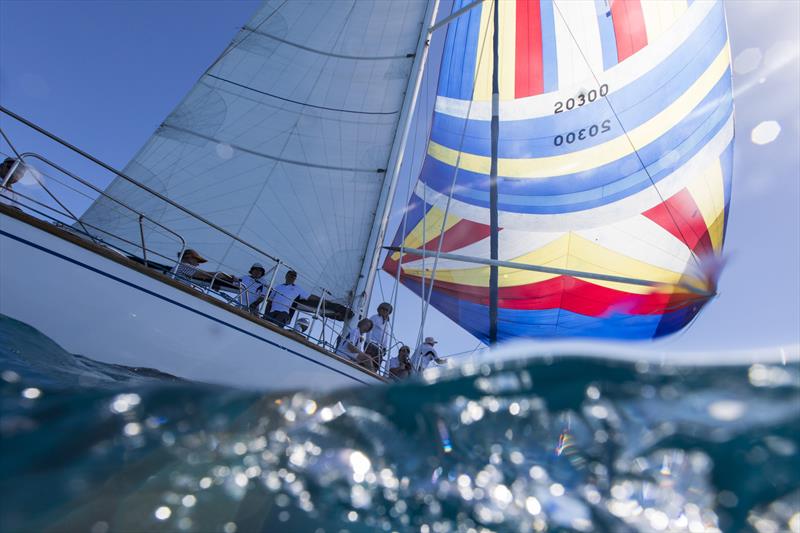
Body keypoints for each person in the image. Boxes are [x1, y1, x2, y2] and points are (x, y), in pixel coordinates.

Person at [365, 302, 392, 372]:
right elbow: (369, 329)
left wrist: (385, 347)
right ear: (380, 309)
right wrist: (368, 341)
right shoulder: (374, 318)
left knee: (376, 366)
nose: (384, 311)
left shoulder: (386, 324)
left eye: (387, 310)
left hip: (379, 348)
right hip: (371, 344)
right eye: (383, 309)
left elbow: (386, 336)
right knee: (367, 363)